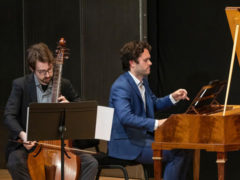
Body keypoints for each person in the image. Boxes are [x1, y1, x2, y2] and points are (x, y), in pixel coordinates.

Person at [3, 42, 98, 180]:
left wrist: (70, 106)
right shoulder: (21, 85)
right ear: (32, 68)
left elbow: (80, 108)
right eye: (42, 72)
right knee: (15, 161)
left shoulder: (64, 84)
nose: (47, 75)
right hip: (32, 147)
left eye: (50, 69)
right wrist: (23, 135)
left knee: (90, 163)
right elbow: (8, 116)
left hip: (60, 146)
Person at [108, 40, 192, 180]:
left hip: (142, 139)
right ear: (132, 63)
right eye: (146, 60)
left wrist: (173, 97)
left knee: (185, 148)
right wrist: (157, 123)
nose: (150, 63)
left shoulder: (143, 82)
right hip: (127, 144)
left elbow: (153, 104)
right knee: (176, 153)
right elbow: (126, 117)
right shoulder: (121, 86)